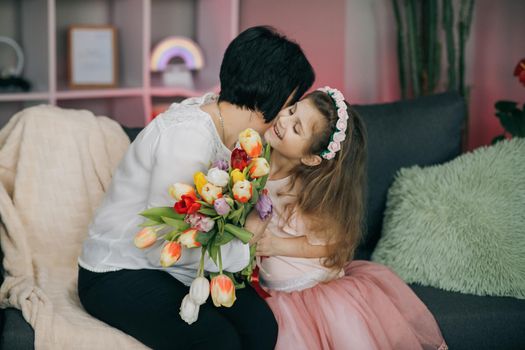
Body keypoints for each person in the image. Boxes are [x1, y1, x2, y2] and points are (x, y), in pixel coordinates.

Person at [77, 26, 315, 350]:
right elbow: (167, 245)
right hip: (118, 270)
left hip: (174, 268)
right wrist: (247, 242)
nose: (288, 112)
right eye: (291, 100)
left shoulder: (232, 125)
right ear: (270, 92)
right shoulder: (186, 139)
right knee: (218, 341)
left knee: (262, 327)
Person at [246, 87, 448, 350]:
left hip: (310, 292)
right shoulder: (256, 156)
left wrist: (279, 246)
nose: (283, 120)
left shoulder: (306, 192)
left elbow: (336, 245)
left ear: (310, 157)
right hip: (273, 288)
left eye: (297, 128)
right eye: (292, 110)